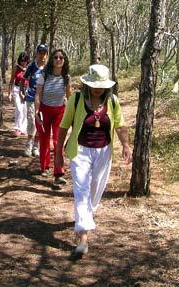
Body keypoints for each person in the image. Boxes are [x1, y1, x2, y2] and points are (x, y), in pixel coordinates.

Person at [55, 64, 133, 255]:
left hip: (103, 152)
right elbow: (64, 127)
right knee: (81, 190)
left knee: (96, 189)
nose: (98, 88)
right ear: (87, 83)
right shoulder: (76, 99)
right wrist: (58, 152)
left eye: (102, 84)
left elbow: (120, 125)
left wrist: (125, 145)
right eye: (95, 84)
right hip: (80, 151)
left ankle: (86, 215)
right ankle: (82, 237)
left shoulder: (112, 101)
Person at [35, 49, 71, 183]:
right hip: (44, 110)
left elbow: (69, 96)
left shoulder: (66, 77)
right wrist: (37, 112)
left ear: (64, 60)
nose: (58, 60)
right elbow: (38, 94)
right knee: (44, 140)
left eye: (61, 58)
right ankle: (44, 167)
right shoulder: (44, 74)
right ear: (52, 59)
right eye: (55, 57)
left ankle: (58, 172)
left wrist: (72, 114)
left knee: (58, 141)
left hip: (60, 112)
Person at [20, 43, 48, 157]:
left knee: (40, 123)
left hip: (45, 99)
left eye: (44, 53)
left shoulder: (48, 68)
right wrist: (21, 92)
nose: (42, 55)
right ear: (36, 53)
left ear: (46, 54)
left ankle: (36, 146)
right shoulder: (32, 66)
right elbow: (23, 79)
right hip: (31, 97)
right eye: (40, 52)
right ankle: (29, 145)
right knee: (31, 121)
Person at [7, 52, 30, 137]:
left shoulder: (29, 68)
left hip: (27, 90)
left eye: (25, 61)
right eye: (22, 61)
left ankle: (23, 128)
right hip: (17, 89)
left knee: (25, 110)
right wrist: (9, 93)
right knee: (19, 109)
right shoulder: (16, 68)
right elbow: (11, 81)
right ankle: (17, 128)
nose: (23, 62)